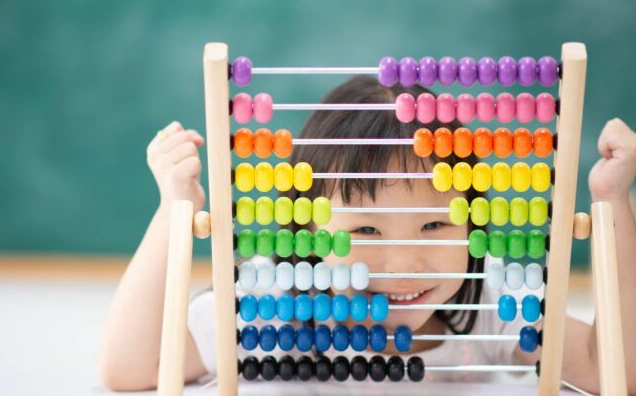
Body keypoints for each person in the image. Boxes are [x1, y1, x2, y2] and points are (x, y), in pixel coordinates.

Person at [97, 76, 636, 393]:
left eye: (434, 224)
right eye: (366, 229)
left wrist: (613, 203)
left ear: (473, 225)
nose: (404, 263)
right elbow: (130, 367)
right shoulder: (270, 308)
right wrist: (174, 213)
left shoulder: (496, 309)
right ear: (307, 230)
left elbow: (615, 368)